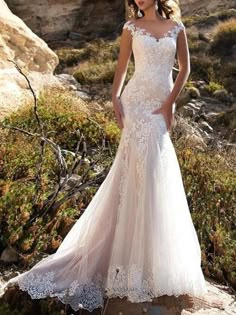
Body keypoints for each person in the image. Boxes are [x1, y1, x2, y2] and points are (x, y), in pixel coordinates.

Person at [1, 0, 208, 312]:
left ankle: (153, 261)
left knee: (156, 172)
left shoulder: (177, 27)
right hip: (136, 103)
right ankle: (126, 261)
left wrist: (170, 103)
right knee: (135, 173)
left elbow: (185, 68)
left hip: (159, 104)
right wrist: (114, 97)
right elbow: (122, 66)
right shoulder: (130, 28)